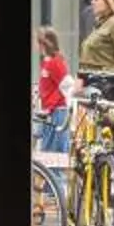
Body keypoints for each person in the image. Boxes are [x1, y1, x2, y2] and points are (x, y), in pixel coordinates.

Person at [34, 25, 73, 153]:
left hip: (57, 113)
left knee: (54, 155)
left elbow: (67, 84)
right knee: (47, 152)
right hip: (49, 112)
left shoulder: (55, 62)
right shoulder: (46, 62)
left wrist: (54, 104)